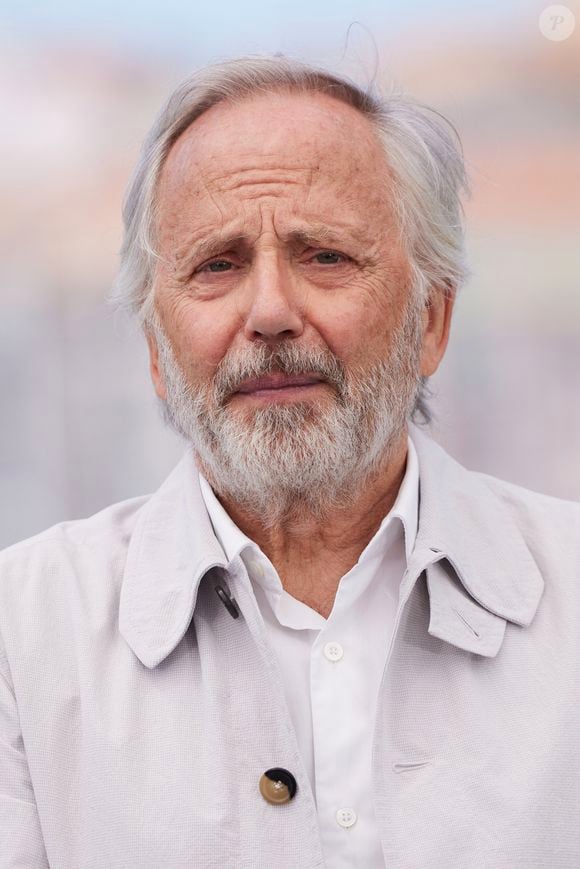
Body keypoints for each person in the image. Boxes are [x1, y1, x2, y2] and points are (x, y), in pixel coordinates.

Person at [0, 55, 578, 869]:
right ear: (157, 350)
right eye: (217, 264)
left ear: (432, 321)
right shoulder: (23, 637)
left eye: (326, 255)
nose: (270, 311)